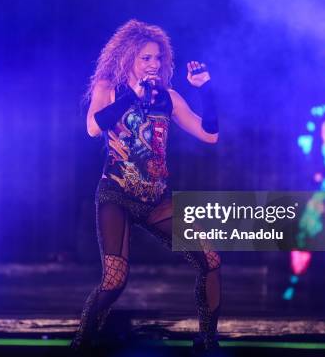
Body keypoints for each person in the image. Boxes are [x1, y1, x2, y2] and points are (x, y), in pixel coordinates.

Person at [72, 19, 221, 352]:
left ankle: (208, 342)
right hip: (117, 194)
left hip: (155, 198)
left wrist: (205, 90)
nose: (153, 65)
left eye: (157, 58)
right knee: (114, 281)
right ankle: (81, 345)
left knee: (210, 260)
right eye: (146, 59)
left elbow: (210, 135)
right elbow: (93, 128)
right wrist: (133, 96)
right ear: (129, 59)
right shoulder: (109, 88)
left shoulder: (168, 97)